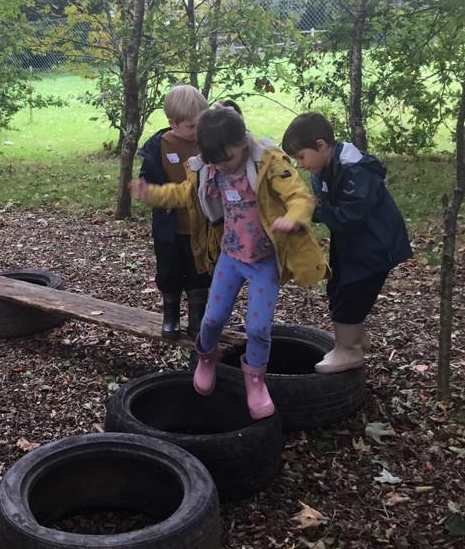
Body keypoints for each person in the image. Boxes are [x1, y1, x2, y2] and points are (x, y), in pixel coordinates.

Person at [131, 107, 328, 419]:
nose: (223, 166)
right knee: (211, 320)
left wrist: (293, 218)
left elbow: (300, 196)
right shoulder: (208, 170)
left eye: (228, 158)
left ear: (243, 142)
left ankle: (255, 381)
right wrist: (151, 194)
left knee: (259, 328)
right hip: (230, 258)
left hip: (264, 262)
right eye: (216, 161)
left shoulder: (269, 164)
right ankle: (206, 358)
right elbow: (184, 194)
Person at [280, 111, 412, 372]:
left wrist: (309, 211)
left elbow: (349, 216)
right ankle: (356, 338)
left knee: (350, 296)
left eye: (301, 157)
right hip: (352, 245)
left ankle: (348, 350)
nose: (301, 165)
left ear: (321, 145)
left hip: (374, 247)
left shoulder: (357, 171)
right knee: (338, 287)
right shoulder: (324, 168)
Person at [137, 85, 212, 341]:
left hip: (201, 226)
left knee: (199, 272)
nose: (197, 132)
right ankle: (170, 314)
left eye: (200, 125)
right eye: (191, 126)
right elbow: (151, 183)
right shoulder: (157, 147)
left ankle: (197, 316)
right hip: (169, 228)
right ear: (173, 122)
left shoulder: (209, 144)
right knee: (168, 272)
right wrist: (149, 191)